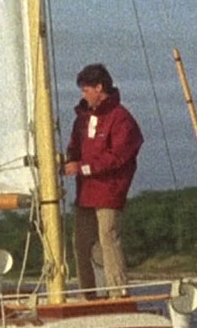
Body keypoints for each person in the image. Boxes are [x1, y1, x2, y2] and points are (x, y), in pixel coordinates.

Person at [61, 63, 142, 298]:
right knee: (81, 243)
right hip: (86, 192)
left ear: (99, 87)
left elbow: (117, 156)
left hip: (109, 190)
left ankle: (118, 292)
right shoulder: (83, 119)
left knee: (108, 238)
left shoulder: (121, 119)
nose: (83, 94)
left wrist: (82, 167)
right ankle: (88, 293)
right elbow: (74, 147)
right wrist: (68, 161)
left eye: (86, 89)